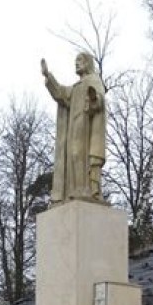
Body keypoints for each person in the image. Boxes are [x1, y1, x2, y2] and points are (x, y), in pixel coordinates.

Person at [40, 52, 106, 203]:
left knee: (79, 155)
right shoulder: (76, 87)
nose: (76, 63)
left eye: (80, 61)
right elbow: (61, 94)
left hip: (86, 129)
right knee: (72, 157)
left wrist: (94, 97)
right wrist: (48, 76)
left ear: (88, 63)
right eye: (75, 61)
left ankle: (84, 190)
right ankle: (74, 190)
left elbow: (99, 101)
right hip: (73, 128)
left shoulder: (94, 80)